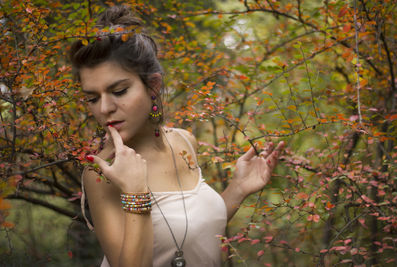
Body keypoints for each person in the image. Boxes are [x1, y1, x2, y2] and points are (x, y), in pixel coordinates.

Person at [70, 5, 284, 267]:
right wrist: (135, 192)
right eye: (92, 98)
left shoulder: (183, 141)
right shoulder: (102, 172)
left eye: (120, 90)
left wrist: (238, 188)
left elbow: (189, 232)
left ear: (153, 86)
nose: (104, 109)